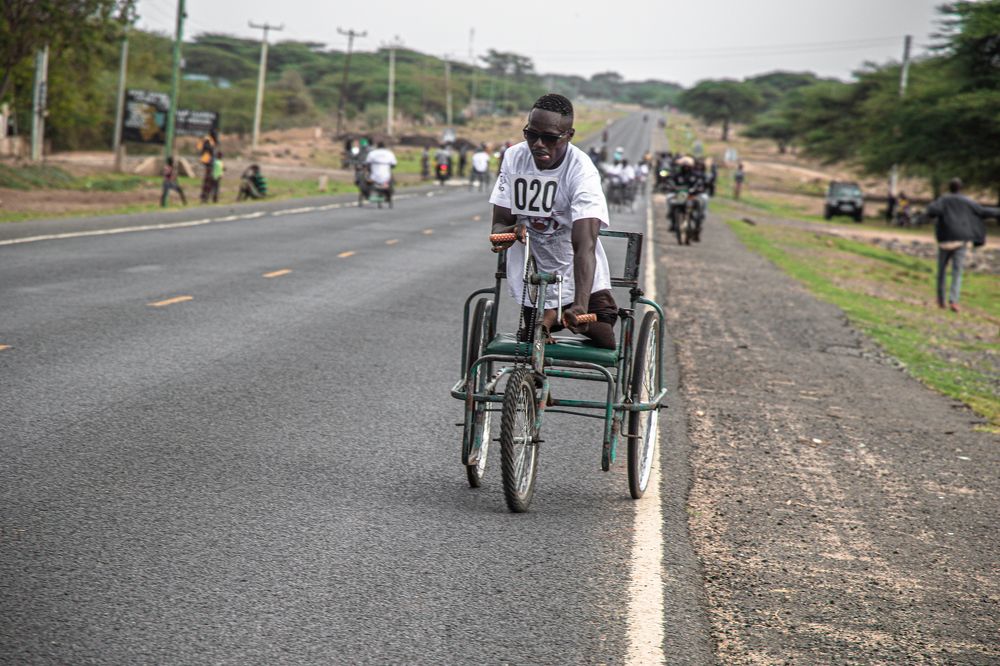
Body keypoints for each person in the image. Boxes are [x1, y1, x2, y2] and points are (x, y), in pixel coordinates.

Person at [489, 93, 617, 349]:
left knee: (605, 339)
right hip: (534, 274)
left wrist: (580, 304)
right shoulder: (515, 157)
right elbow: (499, 224)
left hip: (575, 268)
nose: (538, 144)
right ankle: (531, 380)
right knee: (530, 343)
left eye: (549, 138)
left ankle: (555, 318)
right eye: (531, 134)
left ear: (569, 135)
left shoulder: (581, 171)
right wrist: (506, 233)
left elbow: (585, 246)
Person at [925, 178, 999, 312]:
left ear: (949, 188)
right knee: (957, 271)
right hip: (961, 239)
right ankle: (954, 301)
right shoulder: (968, 201)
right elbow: (983, 212)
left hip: (945, 239)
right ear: (961, 188)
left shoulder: (943, 199)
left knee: (941, 271)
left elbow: (932, 211)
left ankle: (941, 301)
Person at [665, 156, 707, 233]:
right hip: (679, 195)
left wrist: (698, 189)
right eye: (685, 165)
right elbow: (671, 181)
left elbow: (700, 184)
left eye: (688, 165)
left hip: (692, 196)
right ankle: (671, 216)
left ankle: (700, 217)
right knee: (669, 198)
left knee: (703, 200)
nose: (686, 167)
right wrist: (671, 187)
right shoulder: (677, 175)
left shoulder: (696, 175)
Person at [197, 128, 218, 203]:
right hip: (208, 162)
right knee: (208, 181)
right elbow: (205, 149)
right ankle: (204, 197)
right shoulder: (208, 140)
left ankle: (207, 197)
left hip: (210, 163)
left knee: (210, 181)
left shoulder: (211, 140)